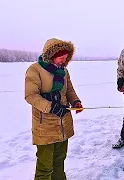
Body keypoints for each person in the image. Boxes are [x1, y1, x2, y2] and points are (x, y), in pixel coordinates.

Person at [25, 38, 83, 180]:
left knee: (59, 162)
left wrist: (75, 101)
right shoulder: (35, 69)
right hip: (45, 126)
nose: (63, 61)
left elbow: (69, 90)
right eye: (60, 57)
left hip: (63, 123)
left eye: (66, 58)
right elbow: (30, 95)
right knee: (45, 167)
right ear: (50, 55)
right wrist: (51, 107)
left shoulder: (64, 71)